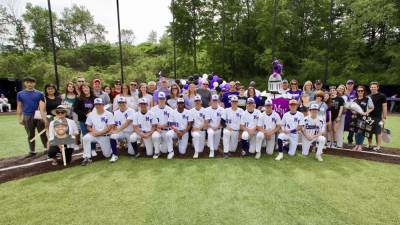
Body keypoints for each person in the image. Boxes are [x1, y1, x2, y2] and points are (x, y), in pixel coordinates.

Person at [16, 76, 48, 157]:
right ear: (24, 83)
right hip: (27, 116)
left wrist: (44, 118)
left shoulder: (40, 93)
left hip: (39, 116)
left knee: (42, 133)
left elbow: (43, 107)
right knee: (30, 134)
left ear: (34, 83)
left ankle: (46, 148)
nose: (30, 84)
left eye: (31, 82)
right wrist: (19, 118)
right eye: (27, 82)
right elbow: (19, 106)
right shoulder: (20, 94)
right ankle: (32, 151)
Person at [81, 98, 115, 166]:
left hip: (104, 136)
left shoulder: (109, 114)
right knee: (85, 138)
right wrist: (93, 131)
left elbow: (110, 126)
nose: (98, 106)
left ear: (103, 105)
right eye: (96, 104)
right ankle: (87, 157)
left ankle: (112, 149)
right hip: (95, 135)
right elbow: (88, 126)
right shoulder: (91, 114)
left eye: (99, 104)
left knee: (107, 155)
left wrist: (99, 133)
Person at [109, 96, 138, 162]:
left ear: (126, 103)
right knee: (113, 136)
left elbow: (127, 123)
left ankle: (133, 149)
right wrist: (113, 130)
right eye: (120, 103)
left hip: (129, 132)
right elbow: (114, 124)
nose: (121, 104)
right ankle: (114, 155)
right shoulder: (115, 112)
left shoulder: (131, 111)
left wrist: (116, 131)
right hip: (121, 132)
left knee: (131, 152)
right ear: (118, 103)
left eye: (123, 102)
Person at [151, 92, 174, 159]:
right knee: (155, 136)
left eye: (163, 99)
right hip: (157, 130)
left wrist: (161, 126)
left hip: (167, 130)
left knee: (164, 150)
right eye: (160, 99)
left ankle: (171, 151)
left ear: (165, 99)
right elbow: (151, 122)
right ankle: (157, 152)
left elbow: (171, 122)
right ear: (157, 99)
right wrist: (156, 128)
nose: (161, 100)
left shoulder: (170, 110)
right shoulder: (153, 109)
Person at [352, 86, 374, 151]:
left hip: (364, 118)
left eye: (362, 91)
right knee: (356, 132)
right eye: (359, 91)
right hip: (356, 118)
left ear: (364, 91)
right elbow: (352, 109)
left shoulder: (367, 99)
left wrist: (366, 112)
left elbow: (372, 107)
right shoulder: (354, 100)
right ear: (357, 92)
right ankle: (356, 145)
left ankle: (360, 146)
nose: (360, 92)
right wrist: (353, 112)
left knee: (361, 132)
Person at [367, 81, 387, 152]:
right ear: (370, 88)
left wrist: (384, 117)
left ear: (377, 87)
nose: (373, 88)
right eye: (372, 87)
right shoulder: (368, 96)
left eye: (374, 87)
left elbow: (384, 107)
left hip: (378, 117)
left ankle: (378, 146)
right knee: (369, 131)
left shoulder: (382, 96)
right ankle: (369, 144)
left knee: (378, 132)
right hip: (369, 117)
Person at [345, 80, 356, 145]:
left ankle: (350, 140)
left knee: (352, 127)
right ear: (346, 84)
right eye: (348, 84)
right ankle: (340, 139)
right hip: (344, 112)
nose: (350, 85)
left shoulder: (355, 92)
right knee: (342, 126)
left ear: (353, 85)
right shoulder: (343, 91)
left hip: (352, 112)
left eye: (351, 84)